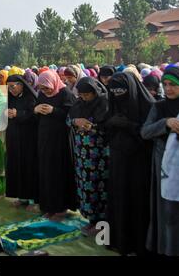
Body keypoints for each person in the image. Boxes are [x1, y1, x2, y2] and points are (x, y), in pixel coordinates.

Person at [105, 72, 155, 255]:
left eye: (121, 90)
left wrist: (130, 126)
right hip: (118, 160)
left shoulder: (148, 105)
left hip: (138, 162)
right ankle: (120, 240)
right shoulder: (114, 103)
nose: (118, 94)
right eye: (114, 90)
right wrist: (111, 123)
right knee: (119, 198)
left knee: (136, 201)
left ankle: (137, 242)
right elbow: (105, 128)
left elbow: (150, 135)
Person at [142, 66, 179, 256]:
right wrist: (166, 123)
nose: (169, 88)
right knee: (167, 213)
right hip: (164, 168)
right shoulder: (159, 107)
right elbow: (145, 132)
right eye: (165, 84)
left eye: (173, 84)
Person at [67, 77, 110, 236]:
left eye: (87, 95)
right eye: (82, 94)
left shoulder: (104, 103)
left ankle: (101, 222)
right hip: (82, 155)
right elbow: (69, 119)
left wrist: (92, 127)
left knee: (98, 187)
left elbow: (108, 125)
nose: (84, 98)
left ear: (95, 92)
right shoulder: (79, 104)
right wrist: (75, 121)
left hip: (98, 155)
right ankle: (91, 220)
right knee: (85, 186)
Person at [35, 70, 77, 221]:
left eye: (47, 88)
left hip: (61, 141)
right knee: (46, 172)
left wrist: (54, 110)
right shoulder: (41, 95)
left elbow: (72, 115)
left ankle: (61, 207)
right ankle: (49, 206)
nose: (45, 91)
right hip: (44, 138)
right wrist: (36, 109)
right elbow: (36, 108)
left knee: (58, 172)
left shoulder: (65, 94)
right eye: (42, 88)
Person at [5, 74, 39, 211]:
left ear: (21, 85)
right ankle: (22, 197)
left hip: (28, 139)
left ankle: (33, 198)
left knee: (28, 167)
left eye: (13, 87)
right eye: (9, 87)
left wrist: (18, 114)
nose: (11, 90)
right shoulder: (10, 98)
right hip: (14, 138)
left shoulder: (31, 98)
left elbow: (35, 116)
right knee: (16, 166)